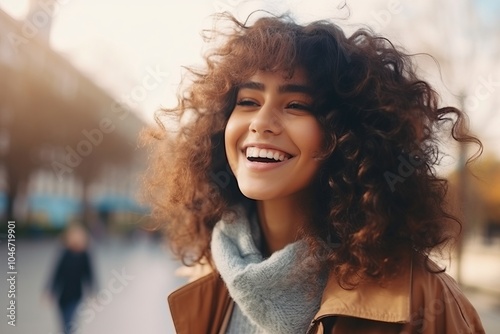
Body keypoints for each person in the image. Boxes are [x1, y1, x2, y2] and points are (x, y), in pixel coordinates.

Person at [142, 12, 485, 334]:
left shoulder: (424, 300)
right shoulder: (209, 279)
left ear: (347, 135)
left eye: (296, 105)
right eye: (248, 101)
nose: (261, 123)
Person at [47, 223, 94, 334]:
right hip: (62, 296)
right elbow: (56, 273)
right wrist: (50, 290)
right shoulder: (65, 254)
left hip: (76, 295)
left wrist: (93, 291)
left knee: (70, 321)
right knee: (64, 322)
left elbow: (89, 274)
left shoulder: (84, 255)